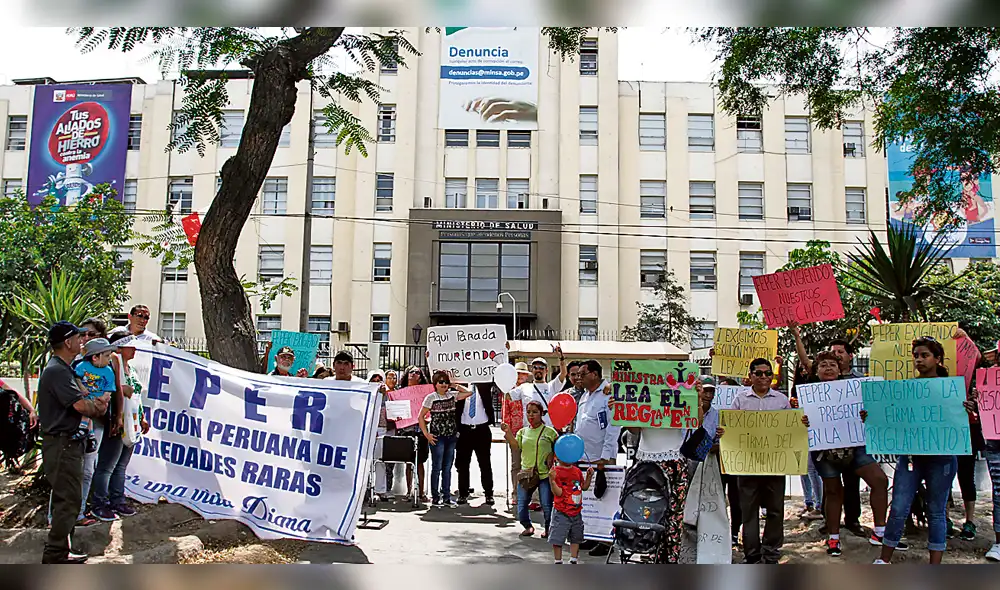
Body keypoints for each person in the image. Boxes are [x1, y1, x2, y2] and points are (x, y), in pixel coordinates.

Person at [870, 337, 974, 564]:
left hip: (942, 459)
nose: (918, 360)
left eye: (924, 355)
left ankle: (934, 565)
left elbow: (968, 422)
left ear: (938, 359)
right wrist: (872, 416)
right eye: (916, 355)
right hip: (910, 458)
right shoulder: (906, 389)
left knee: (936, 511)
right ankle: (883, 560)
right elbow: (891, 419)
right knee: (898, 507)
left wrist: (968, 411)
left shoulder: (952, 391)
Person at [796, 351, 892, 557]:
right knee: (833, 492)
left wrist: (866, 415)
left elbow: (873, 413)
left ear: (840, 370)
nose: (828, 368)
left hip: (855, 447)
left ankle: (880, 532)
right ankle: (833, 538)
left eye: (832, 364)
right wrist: (802, 419)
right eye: (823, 365)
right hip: (824, 450)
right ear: (816, 371)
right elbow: (796, 424)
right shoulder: (808, 395)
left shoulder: (855, 391)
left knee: (879, 480)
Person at [38, 322, 109, 564]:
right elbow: (80, 405)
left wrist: (93, 404)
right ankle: (55, 554)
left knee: (69, 499)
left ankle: (62, 550)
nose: (83, 341)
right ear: (67, 342)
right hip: (61, 444)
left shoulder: (63, 368)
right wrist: (96, 406)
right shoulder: (57, 371)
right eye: (79, 338)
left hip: (67, 443)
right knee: (68, 500)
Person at [791, 322, 866, 537]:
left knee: (852, 484)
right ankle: (829, 521)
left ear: (849, 356)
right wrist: (797, 337)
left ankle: (853, 520)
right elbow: (806, 363)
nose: (836, 356)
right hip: (825, 445)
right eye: (833, 353)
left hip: (851, 443)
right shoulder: (818, 382)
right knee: (830, 486)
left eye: (840, 352)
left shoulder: (858, 382)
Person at [717, 358, 791, 564]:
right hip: (747, 464)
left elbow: (791, 430)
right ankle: (752, 554)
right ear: (750, 376)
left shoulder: (781, 400)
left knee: (775, 510)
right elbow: (730, 426)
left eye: (768, 373)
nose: (764, 377)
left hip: (775, 463)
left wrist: (801, 422)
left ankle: (771, 551)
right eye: (759, 373)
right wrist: (725, 431)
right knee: (749, 511)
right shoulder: (741, 400)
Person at [90, 334, 149, 521]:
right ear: (119, 348)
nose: (134, 349)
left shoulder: (131, 369)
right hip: (117, 421)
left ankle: (117, 500)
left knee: (121, 465)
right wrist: (118, 417)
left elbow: (137, 396)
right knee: (107, 465)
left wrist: (142, 417)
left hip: (132, 423)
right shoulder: (109, 368)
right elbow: (110, 392)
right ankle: (99, 503)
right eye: (130, 346)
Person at [573, 360, 620, 557]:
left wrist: (605, 456)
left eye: (582, 374)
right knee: (590, 500)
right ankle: (592, 534)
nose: (578, 378)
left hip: (601, 457)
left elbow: (612, 426)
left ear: (594, 374)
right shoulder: (585, 395)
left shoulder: (607, 393)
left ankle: (606, 541)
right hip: (584, 456)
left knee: (605, 499)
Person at [73, 338, 119, 526]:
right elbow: (75, 382)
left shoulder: (108, 371)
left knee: (89, 468)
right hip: (78, 419)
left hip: (98, 419)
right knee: (72, 470)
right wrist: (85, 392)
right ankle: (58, 516)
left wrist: (101, 400)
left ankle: (81, 511)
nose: (110, 359)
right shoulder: (80, 367)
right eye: (106, 355)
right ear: (94, 357)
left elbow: (109, 392)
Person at [501, 400, 558, 538]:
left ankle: (548, 529)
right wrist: (508, 432)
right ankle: (527, 526)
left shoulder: (550, 432)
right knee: (521, 506)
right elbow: (515, 447)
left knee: (546, 505)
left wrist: (552, 455)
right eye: (528, 412)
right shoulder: (522, 431)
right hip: (526, 474)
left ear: (541, 414)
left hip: (544, 475)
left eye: (535, 412)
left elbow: (559, 449)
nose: (531, 415)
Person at [418, 370, 473, 507]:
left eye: (445, 382)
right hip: (437, 437)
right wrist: (427, 434)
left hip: (451, 436)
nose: (443, 385)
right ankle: (435, 497)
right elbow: (421, 416)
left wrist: (455, 385)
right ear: (435, 384)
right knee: (437, 467)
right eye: (440, 382)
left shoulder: (452, 395)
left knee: (447, 467)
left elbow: (469, 393)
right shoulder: (431, 398)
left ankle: (446, 496)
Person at [455, 379, 497, 506]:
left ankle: (489, 493)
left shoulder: (484, 383)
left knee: (485, 463)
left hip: (482, 429)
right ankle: (463, 493)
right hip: (464, 429)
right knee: (463, 464)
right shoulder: (459, 385)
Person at [549, 457, 595, 564]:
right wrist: (552, 481)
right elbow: (558, 493)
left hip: (576, 511)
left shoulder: (577, 471)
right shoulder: (555, 472)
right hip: (561, 511)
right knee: (557, 537)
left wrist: (589, 477)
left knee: (576, 537)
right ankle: (558, 561)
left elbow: (583, 487)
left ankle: (574, 559)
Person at [398, 365, 431, 503]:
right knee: (408, 463)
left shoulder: (425, 393)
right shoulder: (400, 393)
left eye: (417, 372)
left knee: (420, 463)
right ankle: (409, 491)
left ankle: (421, 492)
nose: (414, 374)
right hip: (406, 431)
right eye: (411, 372)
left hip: (420, 431)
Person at [513, 349, 568, 429]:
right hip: (529, 431)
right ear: (532, 370)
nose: (538, 370)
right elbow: (507, 396)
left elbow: (563, 373)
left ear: (546, 370)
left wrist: (561, 358)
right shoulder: (524, 387)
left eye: (541, 368)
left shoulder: (552, 386)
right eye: (535, 367)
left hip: (547, 430)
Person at [503, 362, 532, 511]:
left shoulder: (530, 390)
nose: (521, 376)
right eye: (518, 374)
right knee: (516, 465)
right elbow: (505, 412)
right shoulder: (509, 392)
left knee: (530, 465)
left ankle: (530, 495)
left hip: (529, 433)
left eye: (523, 374)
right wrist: (507, 432)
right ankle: (515, 493)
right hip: (514, 432)